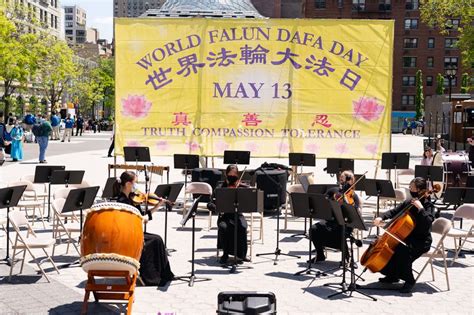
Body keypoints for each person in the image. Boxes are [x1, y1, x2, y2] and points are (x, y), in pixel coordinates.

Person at [372, 177, 434, 293]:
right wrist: (382, 217)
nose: (410, 190)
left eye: (412, 188)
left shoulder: (428, 206)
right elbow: (394, 211)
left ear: (420, 190)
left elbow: (428, 222)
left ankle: (409, 280)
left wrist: (420, 208)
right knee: (390, 249)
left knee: (402, 251)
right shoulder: (409, 202)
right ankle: (392, 275)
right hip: (406, 237)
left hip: (421, 241)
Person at [113, 171, 174, 287]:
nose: (136, 187)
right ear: (127, 184)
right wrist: (144, 217)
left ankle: (163, 274)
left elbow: (143, 216)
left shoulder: (131, 199)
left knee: (157, 239)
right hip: (129, 235)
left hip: (134, 231)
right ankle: (151, 277)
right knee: (156, 240)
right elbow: (141, 219)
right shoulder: (122, 201)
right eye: (134, 183)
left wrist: (157, 206)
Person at [309, 170, 361, 263]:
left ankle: (346, 256)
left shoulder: (353, 196)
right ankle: (320, 254)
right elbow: (323, 203)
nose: (342, 182)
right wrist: (331, 202)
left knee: (340, 230)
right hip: (331, 221)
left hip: (346, 224)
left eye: (346, 180)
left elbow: (355, 213)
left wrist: (346, 204)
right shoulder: (333, 191)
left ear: (351, 182)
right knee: (313, 229)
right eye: (341, 179)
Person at [212, 165, 249, 264]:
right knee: (223, 227)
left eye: (235, 174)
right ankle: (225, 254)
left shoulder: (240, 186)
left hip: (238, 215)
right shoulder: (220, 187)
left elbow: (250, 197)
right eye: (230, 174)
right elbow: (211, 202)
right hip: (225, 216)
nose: (232, 176)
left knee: (242, 227)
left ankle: (241, 254)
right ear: (226, 174)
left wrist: (246, 188)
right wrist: (214, 207)